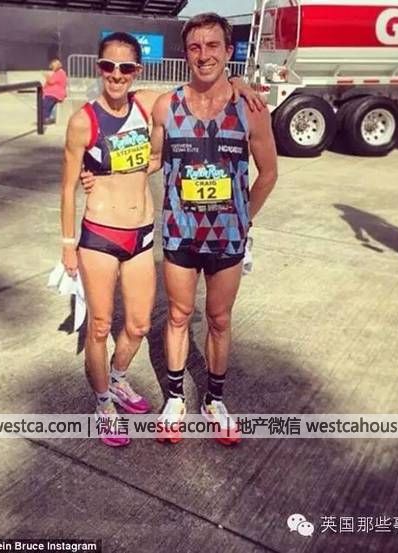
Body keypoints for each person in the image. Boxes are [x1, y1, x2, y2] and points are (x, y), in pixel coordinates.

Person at [65, 31, 263, 447]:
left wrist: (239, 82)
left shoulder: (147, 102)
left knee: (139, 324)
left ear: (136, 71)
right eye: (108, 66)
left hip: (143, 233)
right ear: (99, 67)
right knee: (101, 325)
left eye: (125, 67)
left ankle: (119, 379)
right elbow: (68, 186)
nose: (116, 74)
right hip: (102, 230)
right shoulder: (84, 119)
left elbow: (203, 88)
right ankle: (104, 405)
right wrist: (68, 243)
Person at [148, 13, 278, 445]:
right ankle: (174, 399)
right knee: (179, 315)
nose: (203, 55)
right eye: (194, 47)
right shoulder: (166, 106)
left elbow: (268, 174)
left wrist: (244, 219)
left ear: (228, 50)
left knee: (219, 319)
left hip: (227, 238)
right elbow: (151, 159)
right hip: (180, 234)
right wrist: (103, 170)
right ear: (185, 53)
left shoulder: (250, 109)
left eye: (212, 45)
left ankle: (214, 401)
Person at [42, 57, 67, 124]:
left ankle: (45, 118)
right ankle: (45, 117)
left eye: (52, 67)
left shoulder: (60, 73)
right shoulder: (58, 73)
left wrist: (47, 76)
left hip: (54, 94)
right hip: (53, 93)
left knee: (46, 105)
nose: (52, 68)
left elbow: (51, 81)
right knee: (46, 105)